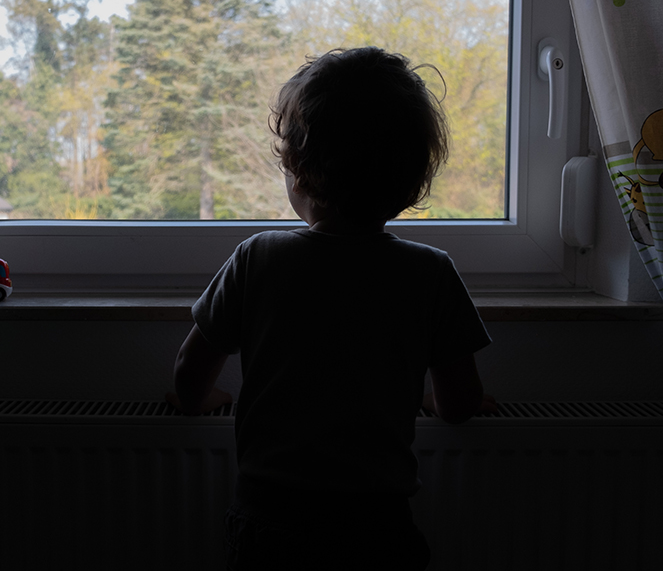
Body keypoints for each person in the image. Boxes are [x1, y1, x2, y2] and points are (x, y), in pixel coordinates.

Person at [165, 47, 495, 570]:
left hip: (269, 521)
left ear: (295, 166)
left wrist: (199, 400)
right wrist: (436, 401)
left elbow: (188, 374)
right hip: (377, 527)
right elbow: (459, 401)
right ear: (411, 179)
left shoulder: (258, 257)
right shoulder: (430, 271)